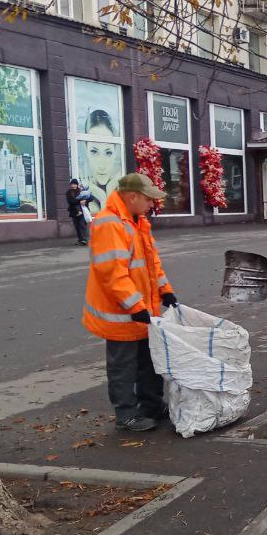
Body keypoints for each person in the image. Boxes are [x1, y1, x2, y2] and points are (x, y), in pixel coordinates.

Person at [81, 173, 177, 432]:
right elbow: (113, 273)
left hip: (142, 311)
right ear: (132, 197)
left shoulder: (137, 221)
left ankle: (151, 405)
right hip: (121, 313)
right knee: (123, 367)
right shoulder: (110, 224)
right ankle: (126, 414)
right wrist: (135, 306)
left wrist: (165, 291)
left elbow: (151, 264)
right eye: (148, 199)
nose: (151, 205)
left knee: (150, 361)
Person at [80, 110, 121, 208]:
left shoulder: (123, 192)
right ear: (86, 150)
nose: (102, 166)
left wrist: (109, 189)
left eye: (108, 153)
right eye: (94, 152)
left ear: (115, 151)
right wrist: (102, 196)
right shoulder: (80, 193)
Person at [66, 178, 91, 245]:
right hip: (74, 212)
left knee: (82, 225)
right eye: (72, 184)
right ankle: (80, 240)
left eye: (75, 184)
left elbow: (90, 198)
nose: (73, 185)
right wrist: (80, 201)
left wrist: (85, 201)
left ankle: (85, 240)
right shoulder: (68, 192)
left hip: (83, 211)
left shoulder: (81, 191)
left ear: (77, 185)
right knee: (77, 226)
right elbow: (71, 201)